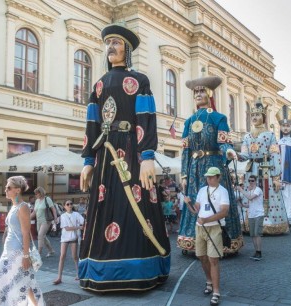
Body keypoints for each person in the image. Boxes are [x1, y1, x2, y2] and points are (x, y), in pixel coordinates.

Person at [79, 23, 170, 292]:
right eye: (108, 43)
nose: (111, 47)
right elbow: (92, 125)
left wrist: (148, 156)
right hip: (106, 154)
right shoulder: (97, 85)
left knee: (135, 205)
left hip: (131, 150)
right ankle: (100, 270)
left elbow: (146, 118)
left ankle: (142, 267)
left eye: (117, 43)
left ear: (127, 49)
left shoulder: (140, 81)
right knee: (105, 207)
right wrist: (87, 161)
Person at [178, 76, 241, 255]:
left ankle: (223, 241)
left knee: (214, 199)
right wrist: (183, 174)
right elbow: (186, 150)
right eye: (195, 91)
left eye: (201, 91)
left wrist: (228, 150)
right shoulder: (189, 121)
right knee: (196, 202)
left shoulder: (218, 118)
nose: (198, 94)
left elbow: (223, 142)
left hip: (213, 165)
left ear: (209, 93)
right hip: (194, 168)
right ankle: (193, 241)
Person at [237, 100, 288, 235]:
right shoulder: (247, 136)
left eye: (258, 115)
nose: (254, 118)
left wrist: (277, 176)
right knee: (250, 194)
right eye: (252, 115)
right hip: (251, 169)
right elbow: (245, 154)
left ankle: (268, 223)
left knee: (267, 195)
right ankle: (249, 223)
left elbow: (276, 155)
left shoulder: (270, 135)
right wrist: (237, 155)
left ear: (263, 118)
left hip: (266, 170)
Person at [184, 167, 229, 306]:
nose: (208, 179)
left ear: (218, 177)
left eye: (211, 177)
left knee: (213, 260)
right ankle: (209, 281)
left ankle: (216, 292)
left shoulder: (223, 191)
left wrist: (207, 220)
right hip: (200, 228)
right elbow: (196, 210)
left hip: (214, 228)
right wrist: (188, 203)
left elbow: (224, 212)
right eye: (207, 177)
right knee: (202, 257)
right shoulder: (202, 190)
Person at [0, 176, 44, 305]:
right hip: (9, 250)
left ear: (17, 190)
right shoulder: (14, 205)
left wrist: (25, 255)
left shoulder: (23, 207)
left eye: (9, 187)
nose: (5, 189)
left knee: (16, 282)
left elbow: (25, 233)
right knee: (24, 282)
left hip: (17, 252)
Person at [53, 200, 84, 285]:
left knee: (75, 256)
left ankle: (78, 274)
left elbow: (83, 222)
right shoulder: (63, 216)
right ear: (64, 206)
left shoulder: (76, 214)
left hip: (73, 238)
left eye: (71, 204)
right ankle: (59, 277)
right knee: (62, 256)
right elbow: (67, 228)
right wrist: (78, 227)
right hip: (65, 238)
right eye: (68, 204)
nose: (70, 205)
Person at [236, 175, 264, 260]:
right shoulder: (250, 191)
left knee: (257, 233)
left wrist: (241, 190)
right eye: (249, 181)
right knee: (252, 235)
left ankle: (259, 252)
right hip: (251, 214)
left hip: (258, 214)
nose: (251, 182)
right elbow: (250, 204)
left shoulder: (258, 190)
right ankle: (256, 251)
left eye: (252, 181)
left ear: (256, 181)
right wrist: (241, 204)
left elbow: (250, 198)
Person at [31, 187, 57, 257]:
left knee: (40, 235)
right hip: (38, 221)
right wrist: (27, 219)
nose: (35, 195)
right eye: (35, 194)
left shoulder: (47, 199)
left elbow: (53, 209)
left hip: (46, 220)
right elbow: (34, 212)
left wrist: (55, 218)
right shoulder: (37, 201)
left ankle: (39, 253)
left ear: (41, 193)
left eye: (37, 193)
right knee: (43, 236)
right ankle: (51, 250)